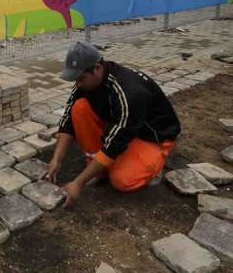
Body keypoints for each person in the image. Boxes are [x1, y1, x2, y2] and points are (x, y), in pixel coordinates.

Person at [46, 42, 181, 207]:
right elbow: (67, 120)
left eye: (81, 78)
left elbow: (114, 145)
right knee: (79, 108)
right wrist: (56, 159)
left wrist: (77, 184)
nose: (78, 84)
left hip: (152, 137)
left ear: (96, 68)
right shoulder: (86, 83)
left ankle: (152, 168)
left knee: (122, 180)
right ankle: (98, 170)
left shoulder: (129, 93)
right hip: (124, 127)